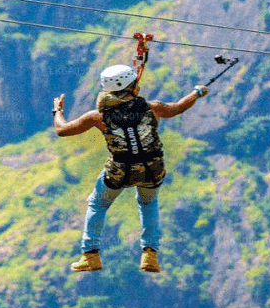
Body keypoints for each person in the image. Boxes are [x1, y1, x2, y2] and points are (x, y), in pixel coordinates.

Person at [53, 64, 208, 273]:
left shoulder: (98, 117)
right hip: (152, 168)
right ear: (132, 86)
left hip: (120, 170)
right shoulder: (153, 107)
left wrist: (58, 110)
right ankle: (150, 254)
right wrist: (196, 93)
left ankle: (90, 255)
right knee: (148, 202)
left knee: (98, 204)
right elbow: (178, 107)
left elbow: (62, 130)